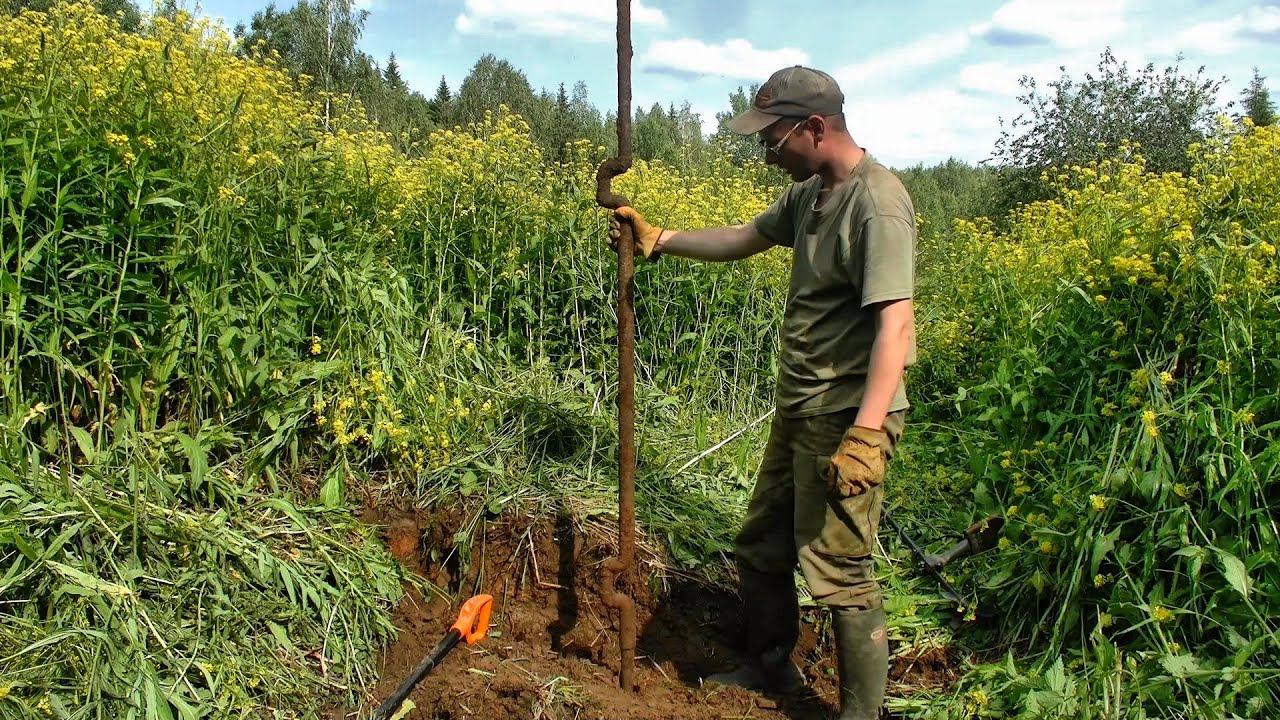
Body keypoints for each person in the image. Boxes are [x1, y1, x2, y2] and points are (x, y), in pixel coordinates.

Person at [609, 66, 916, 720]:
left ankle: (861, 713)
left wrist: (865, 438)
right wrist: (662, 240)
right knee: (761, 545)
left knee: (839, 571)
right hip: (801, 409)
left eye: (772, 139)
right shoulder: (809, 196)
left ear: (815, 127)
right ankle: (771, 666)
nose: (765, 152)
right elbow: (745, 238)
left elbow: (896, 326)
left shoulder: (878, 202)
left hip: (845, 418)